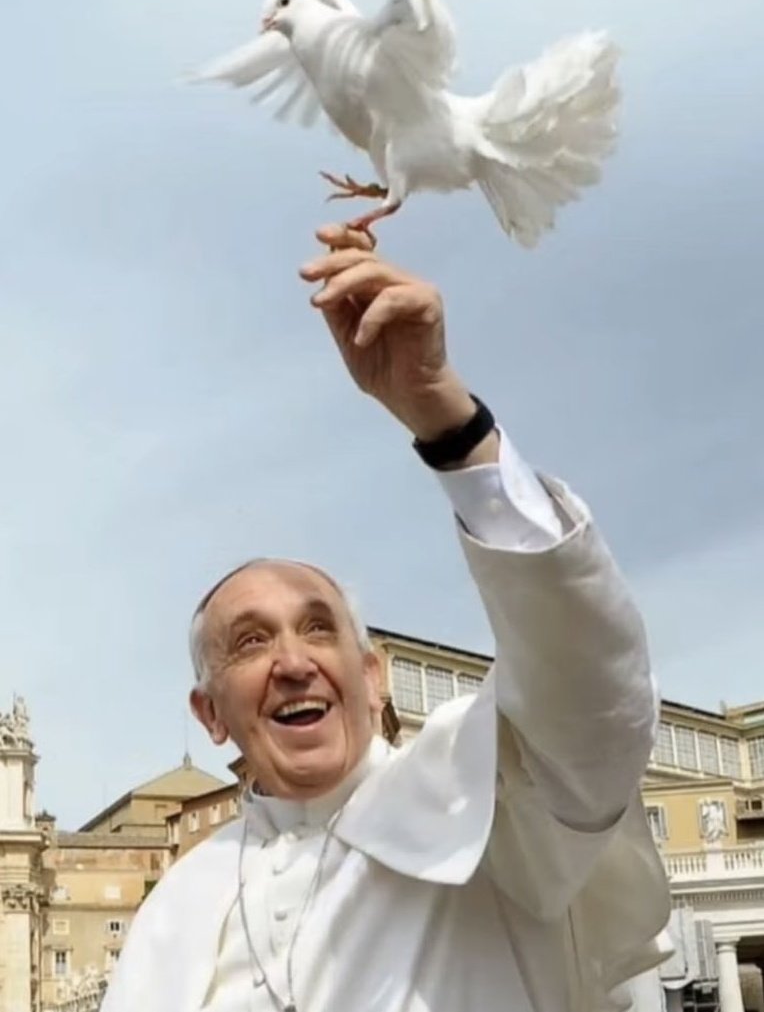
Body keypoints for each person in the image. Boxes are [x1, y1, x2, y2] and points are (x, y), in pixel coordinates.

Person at [102, 225, 672, 1012]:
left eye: (319, 627)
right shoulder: (179, 904)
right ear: (211, 714)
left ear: (373, 677)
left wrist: (446, 419)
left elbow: (590, 685)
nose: (293, 662)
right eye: (251, 642)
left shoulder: (488, 799)